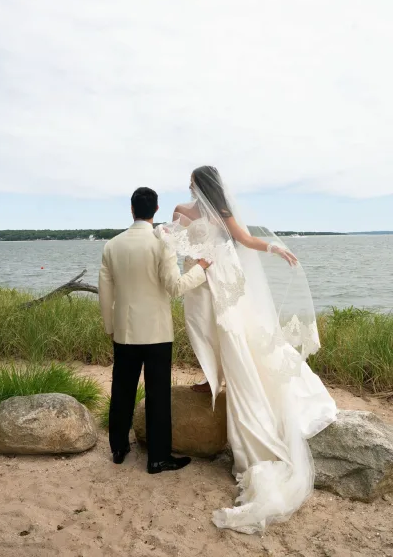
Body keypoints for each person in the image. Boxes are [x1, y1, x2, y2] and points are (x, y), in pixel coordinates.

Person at [155, 166, 337, 533]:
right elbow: (172, 244)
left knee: (231, 335)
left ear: (200, 184)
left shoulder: (223, 214)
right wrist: (163, 238)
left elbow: (245, 239)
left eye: (191, 180)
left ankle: (223, 383)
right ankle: (211, 380)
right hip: (199, 281)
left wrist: (274, 247)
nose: (187, 185)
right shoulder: (180, 210)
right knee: (202, 332)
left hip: (222, 281)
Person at [99, 187, 210, 474]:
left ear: (132, 210)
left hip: (124, 331)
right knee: (158, 395)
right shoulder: (163, 242)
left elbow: (105, 292)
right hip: (158, 333)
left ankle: (119, 448)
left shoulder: (112, 245)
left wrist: (110, 327)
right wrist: (200, 269)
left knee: (122, 389)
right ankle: (158, 458)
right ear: (156, 210)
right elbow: (175, 288)